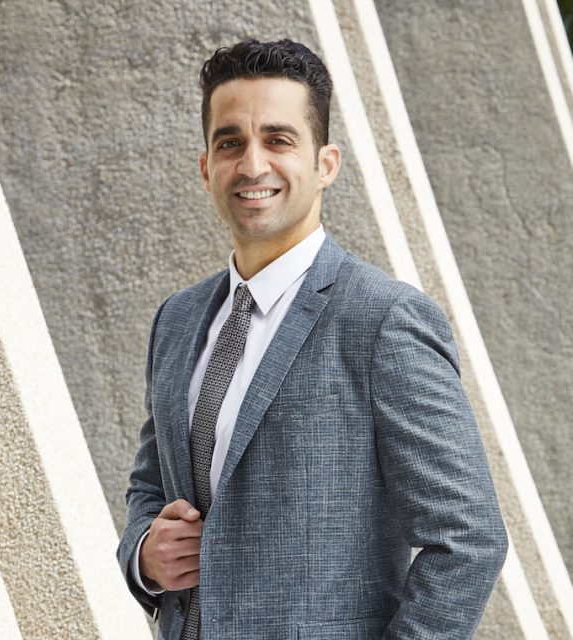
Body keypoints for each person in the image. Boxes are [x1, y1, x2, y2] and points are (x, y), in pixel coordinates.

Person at [117, 38, 508, 640]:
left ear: (326, 164)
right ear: (205, 168)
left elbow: (468, 538)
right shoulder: (178, 318)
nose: (252, 165)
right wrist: (145, 555)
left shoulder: (385, 320)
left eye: (278, 139)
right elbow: (150, 483)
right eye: (230, 143)